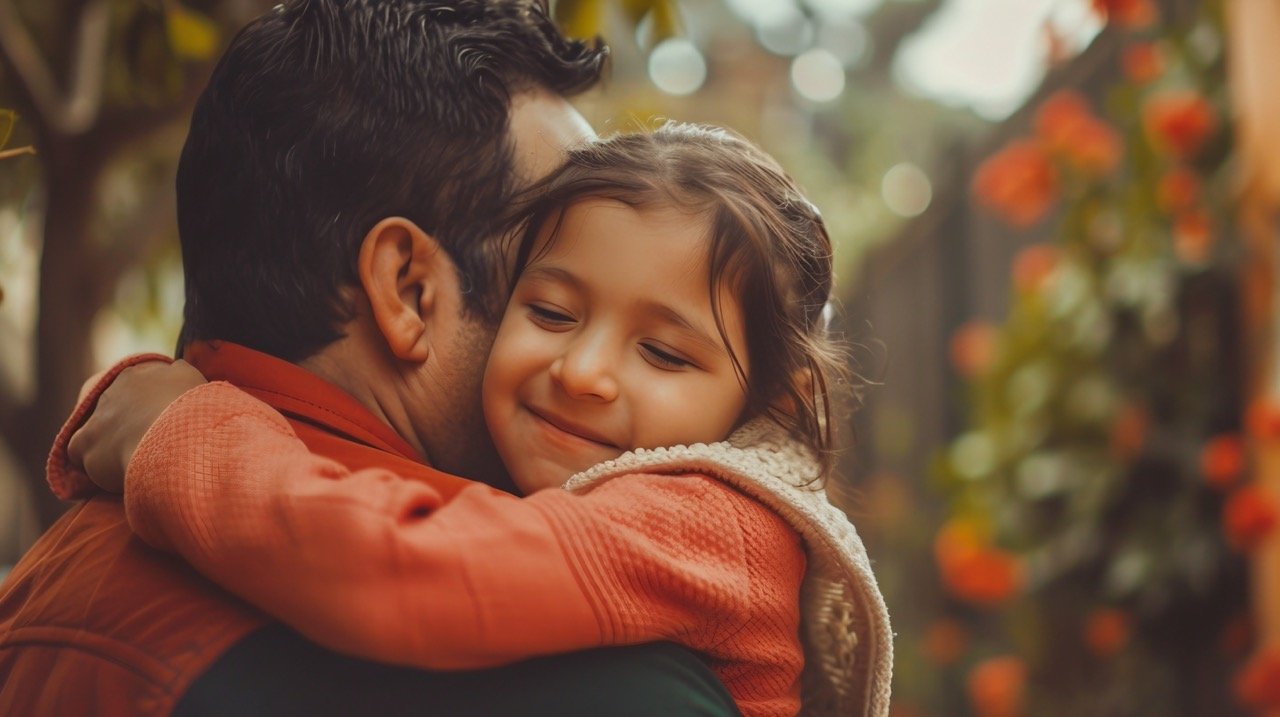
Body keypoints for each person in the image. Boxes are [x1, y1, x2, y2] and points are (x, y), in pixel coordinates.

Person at [0, 1, 743, 714]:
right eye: (548, 298)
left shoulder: (42, 584)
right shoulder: (596, 677)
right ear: (409, 289)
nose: (585, 370)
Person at [60, 125, 893, 716]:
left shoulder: (706, 518)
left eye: (665, 355)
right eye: (552, 311)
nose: (583, 371)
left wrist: (174, 432)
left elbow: (403, 573)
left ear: (769, 404)